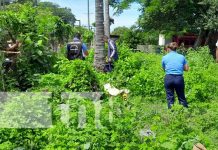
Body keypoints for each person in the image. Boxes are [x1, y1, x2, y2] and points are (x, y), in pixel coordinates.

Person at [162, 42, 189, 109]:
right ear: (176, 49)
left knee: (170, 97)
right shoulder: (182, 57)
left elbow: (164, 69)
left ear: (168, 49)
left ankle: (171, 112)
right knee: (181, 96)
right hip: (179, 78)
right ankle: (184, 112)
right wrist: (180, 68)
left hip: (168, 78)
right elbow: (187, 69)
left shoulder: (164, 57)